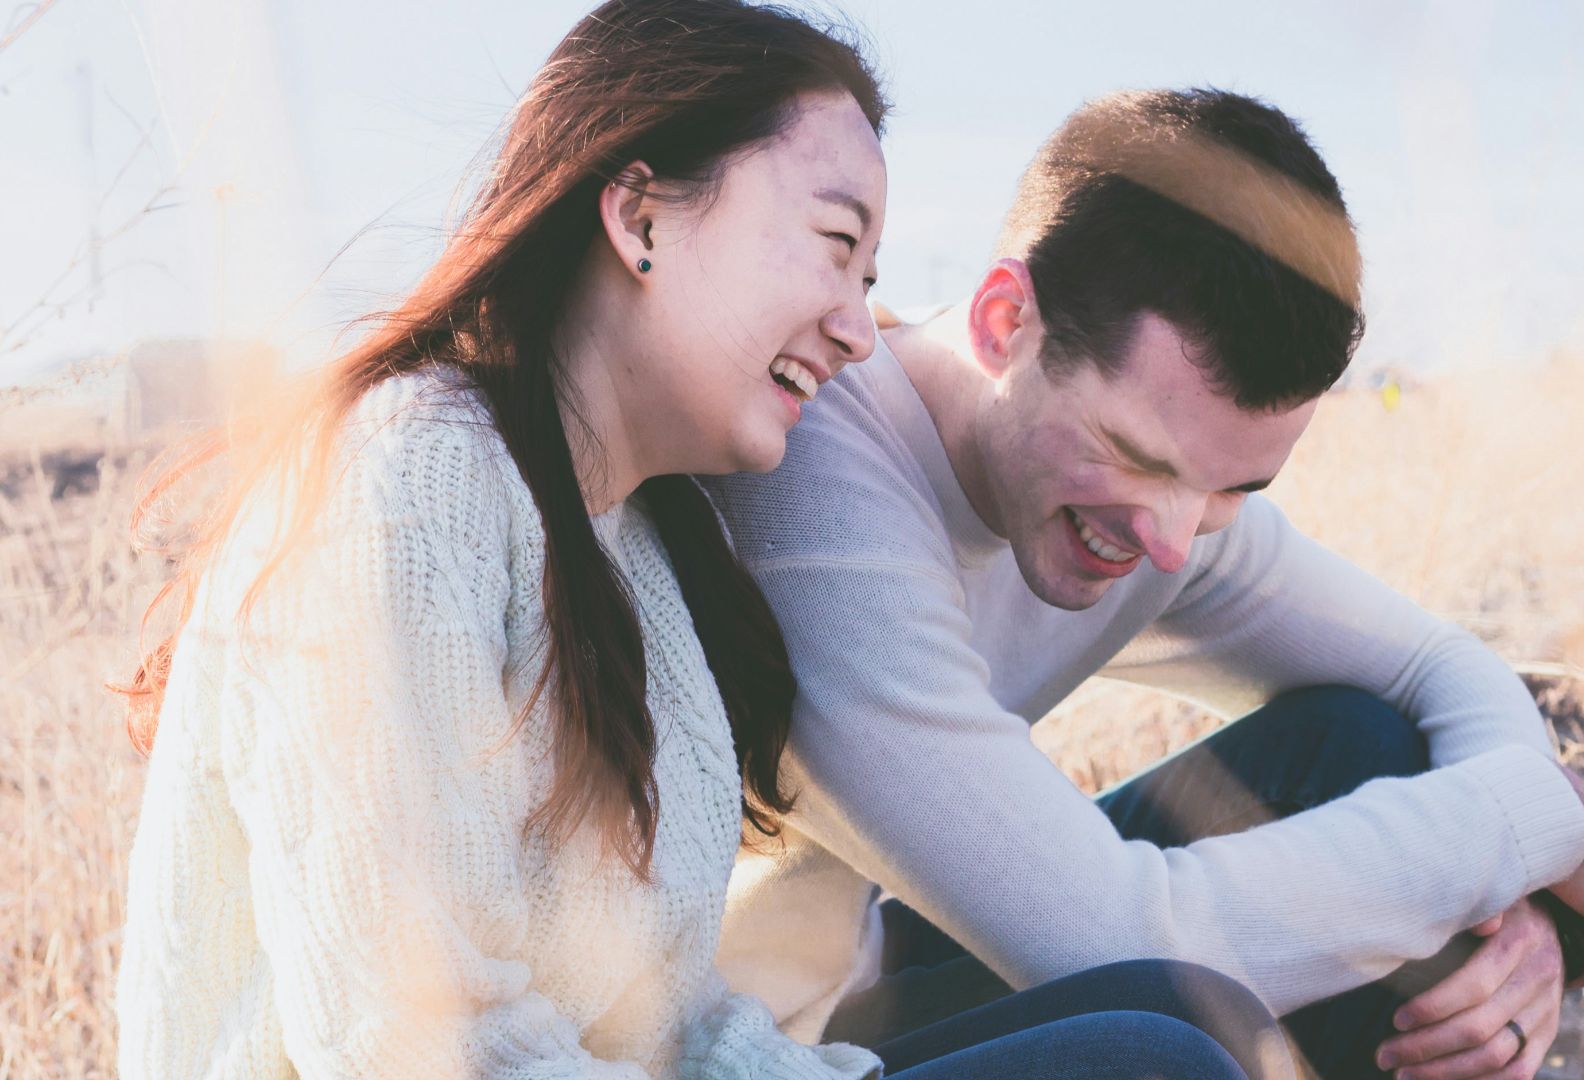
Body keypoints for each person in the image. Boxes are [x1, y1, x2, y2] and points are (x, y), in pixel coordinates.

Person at [113, 6, 1279, 1078]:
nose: (856, 331)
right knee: (1152, 1061)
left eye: (870, 279)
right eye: (833, 245)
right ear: (639, 215)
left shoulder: (638, 546)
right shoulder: (411, 480)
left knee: (1187, 1012)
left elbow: (671, 1026)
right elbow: (418, 1045)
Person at [703, 88, 1584, 1080]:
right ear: (1005, 321)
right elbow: (1116, 940)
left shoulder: (1160, 508)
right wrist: (1538, 826)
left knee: (1362, 743)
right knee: (1164, 1053)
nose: (1172, 539)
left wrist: (1513, 906)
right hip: (730, 1044)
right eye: (1136, 457)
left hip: (862, 979)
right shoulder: (817, 487)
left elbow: (1436, 663)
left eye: (1234, 486)